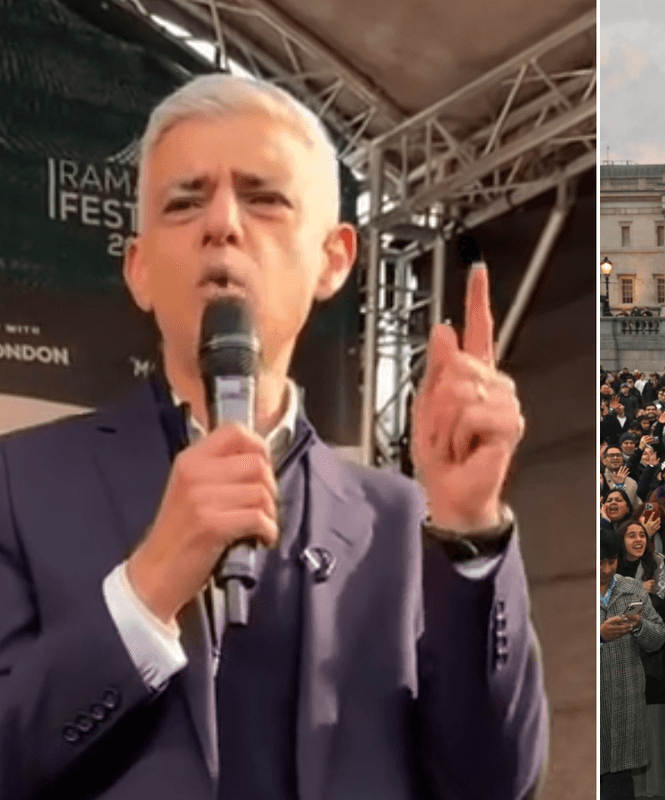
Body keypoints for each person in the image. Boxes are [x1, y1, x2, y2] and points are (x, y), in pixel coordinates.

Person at [0, 75, 546, 799]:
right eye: (184, 201)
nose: (222, 223)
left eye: (263, 198)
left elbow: (492, 784)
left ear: (334, 259)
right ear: (137, 269)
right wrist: (147, 588)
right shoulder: (23, 482)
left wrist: (470, 532)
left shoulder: (404, 523)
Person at [600, 528, 665, 800]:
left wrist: (640, 626)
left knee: (619, 781)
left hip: (625, 700)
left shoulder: (631, 589)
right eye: (599, 561)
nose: (606, 569)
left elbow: (659, 638)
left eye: (611, 561)